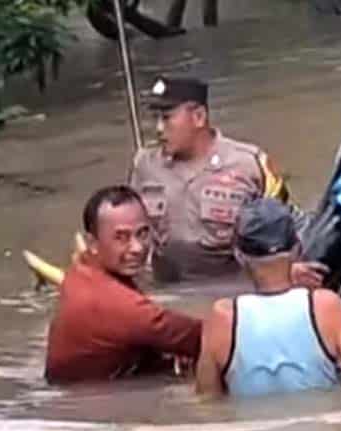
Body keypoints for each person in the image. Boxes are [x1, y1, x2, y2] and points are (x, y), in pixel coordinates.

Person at [130, 75, 326, 286]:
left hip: (236, 290)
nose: (159, 128)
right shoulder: (145, 166)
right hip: (169, 292)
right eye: (156, 118)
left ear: (198, 117)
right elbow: (130, 231)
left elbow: (288, 227)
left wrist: (286, 270)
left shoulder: (249, 164)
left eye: (167, 118)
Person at [195, 198, 341, 397]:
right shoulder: (325, 306)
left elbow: (207, 399)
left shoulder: (222, 318)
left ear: (239, 255)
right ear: (298, 248)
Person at [45, 185, 202, 384]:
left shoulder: (82, 269)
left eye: (143, 233)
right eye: (121, 237)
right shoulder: (120, 306)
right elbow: (205, 337)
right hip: (94, 406)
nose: (137, 248)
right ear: (92, 243)